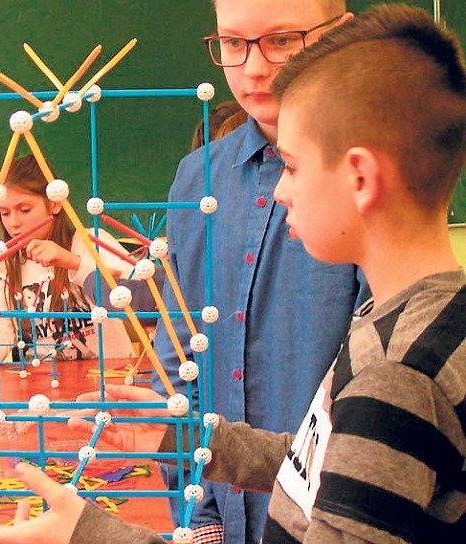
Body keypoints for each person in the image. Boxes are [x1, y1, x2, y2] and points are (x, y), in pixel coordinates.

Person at [0, 4, 466, 543]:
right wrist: (201, 443)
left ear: (359, 176)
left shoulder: (395, 378)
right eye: (231, 43)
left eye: (290, 167)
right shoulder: (403, 328)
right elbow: (325, 465)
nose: (281, 189)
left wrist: (91, 535)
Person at [153, 1, 367, 541]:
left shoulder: (368, 178)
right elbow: (179, 358)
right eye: (232, 44)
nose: (253, 69)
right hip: (222, 517)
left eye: (281, 40)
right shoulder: (197, 177)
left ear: (338, 36)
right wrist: (197, 514)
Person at [0, 153, 137, 362]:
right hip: (42, 388)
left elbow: (138, 294)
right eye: (4, 213)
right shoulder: (6, 266)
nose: (13, 223)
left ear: (55, 204)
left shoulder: (90, 242)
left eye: (24, 209)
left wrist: (72, 262)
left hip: (107, 379)